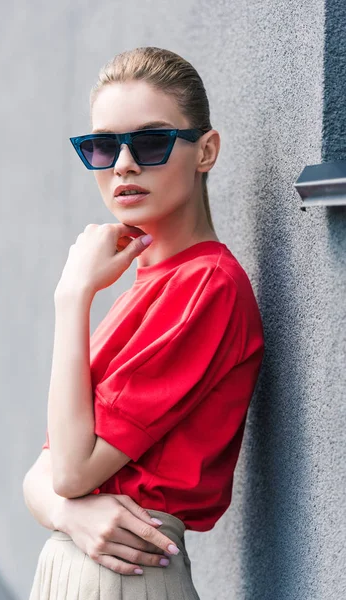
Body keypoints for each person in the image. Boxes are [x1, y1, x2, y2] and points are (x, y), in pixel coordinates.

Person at [23, 46, 265, 599]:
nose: (123, 164)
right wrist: (71, 513)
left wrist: (72, 296)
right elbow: (39, 477)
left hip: (125, 574)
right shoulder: (149, 287)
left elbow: (68, 471)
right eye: (103, 146)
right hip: (80, 563)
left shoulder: (206, 288)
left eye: (151, 142)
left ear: (206, 151)